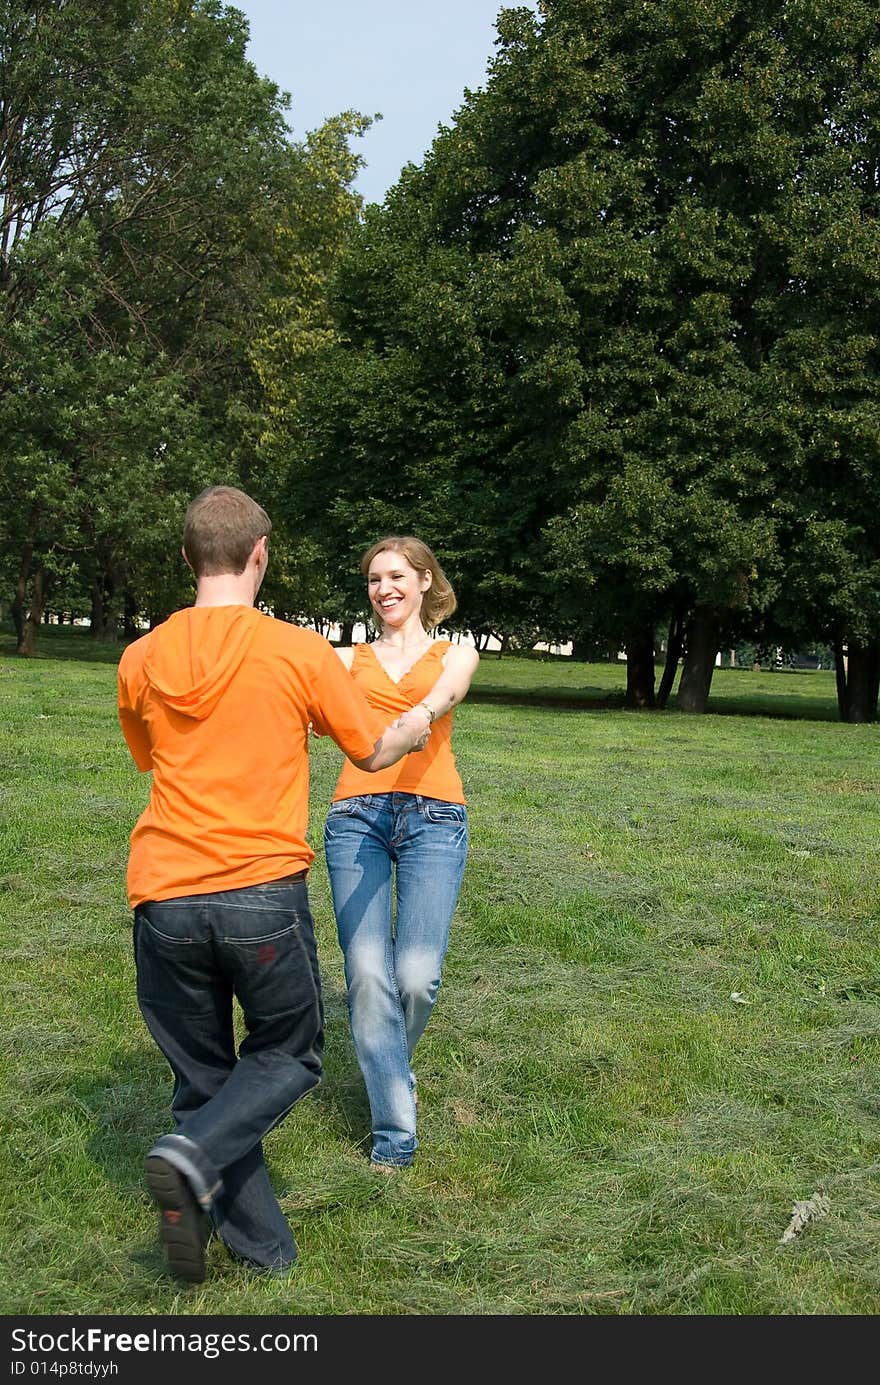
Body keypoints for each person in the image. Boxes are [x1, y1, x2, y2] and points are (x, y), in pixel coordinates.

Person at [117, 486, 428, 1284]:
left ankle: (262, 1254)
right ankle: (192, 1157)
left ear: (188, 559)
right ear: (261, 555)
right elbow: (368, 750)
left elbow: (149, 760)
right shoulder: (299, 652)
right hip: (259, 891)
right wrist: (414, 727)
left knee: (207, 1083)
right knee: (290, 1052)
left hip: (163, 896)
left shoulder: (140, 658)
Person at [323, 536, 479, 1170]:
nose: (382, 588)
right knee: (365, 976)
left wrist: (402, 727)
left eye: (394, 576)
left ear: (423, 582)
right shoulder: (340, 657)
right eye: (372, 580)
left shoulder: (456, 652)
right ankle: (395, 1132)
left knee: (416, 978)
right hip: (355, 817)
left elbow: (439, 703)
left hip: (434, 816)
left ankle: (387, 1066)